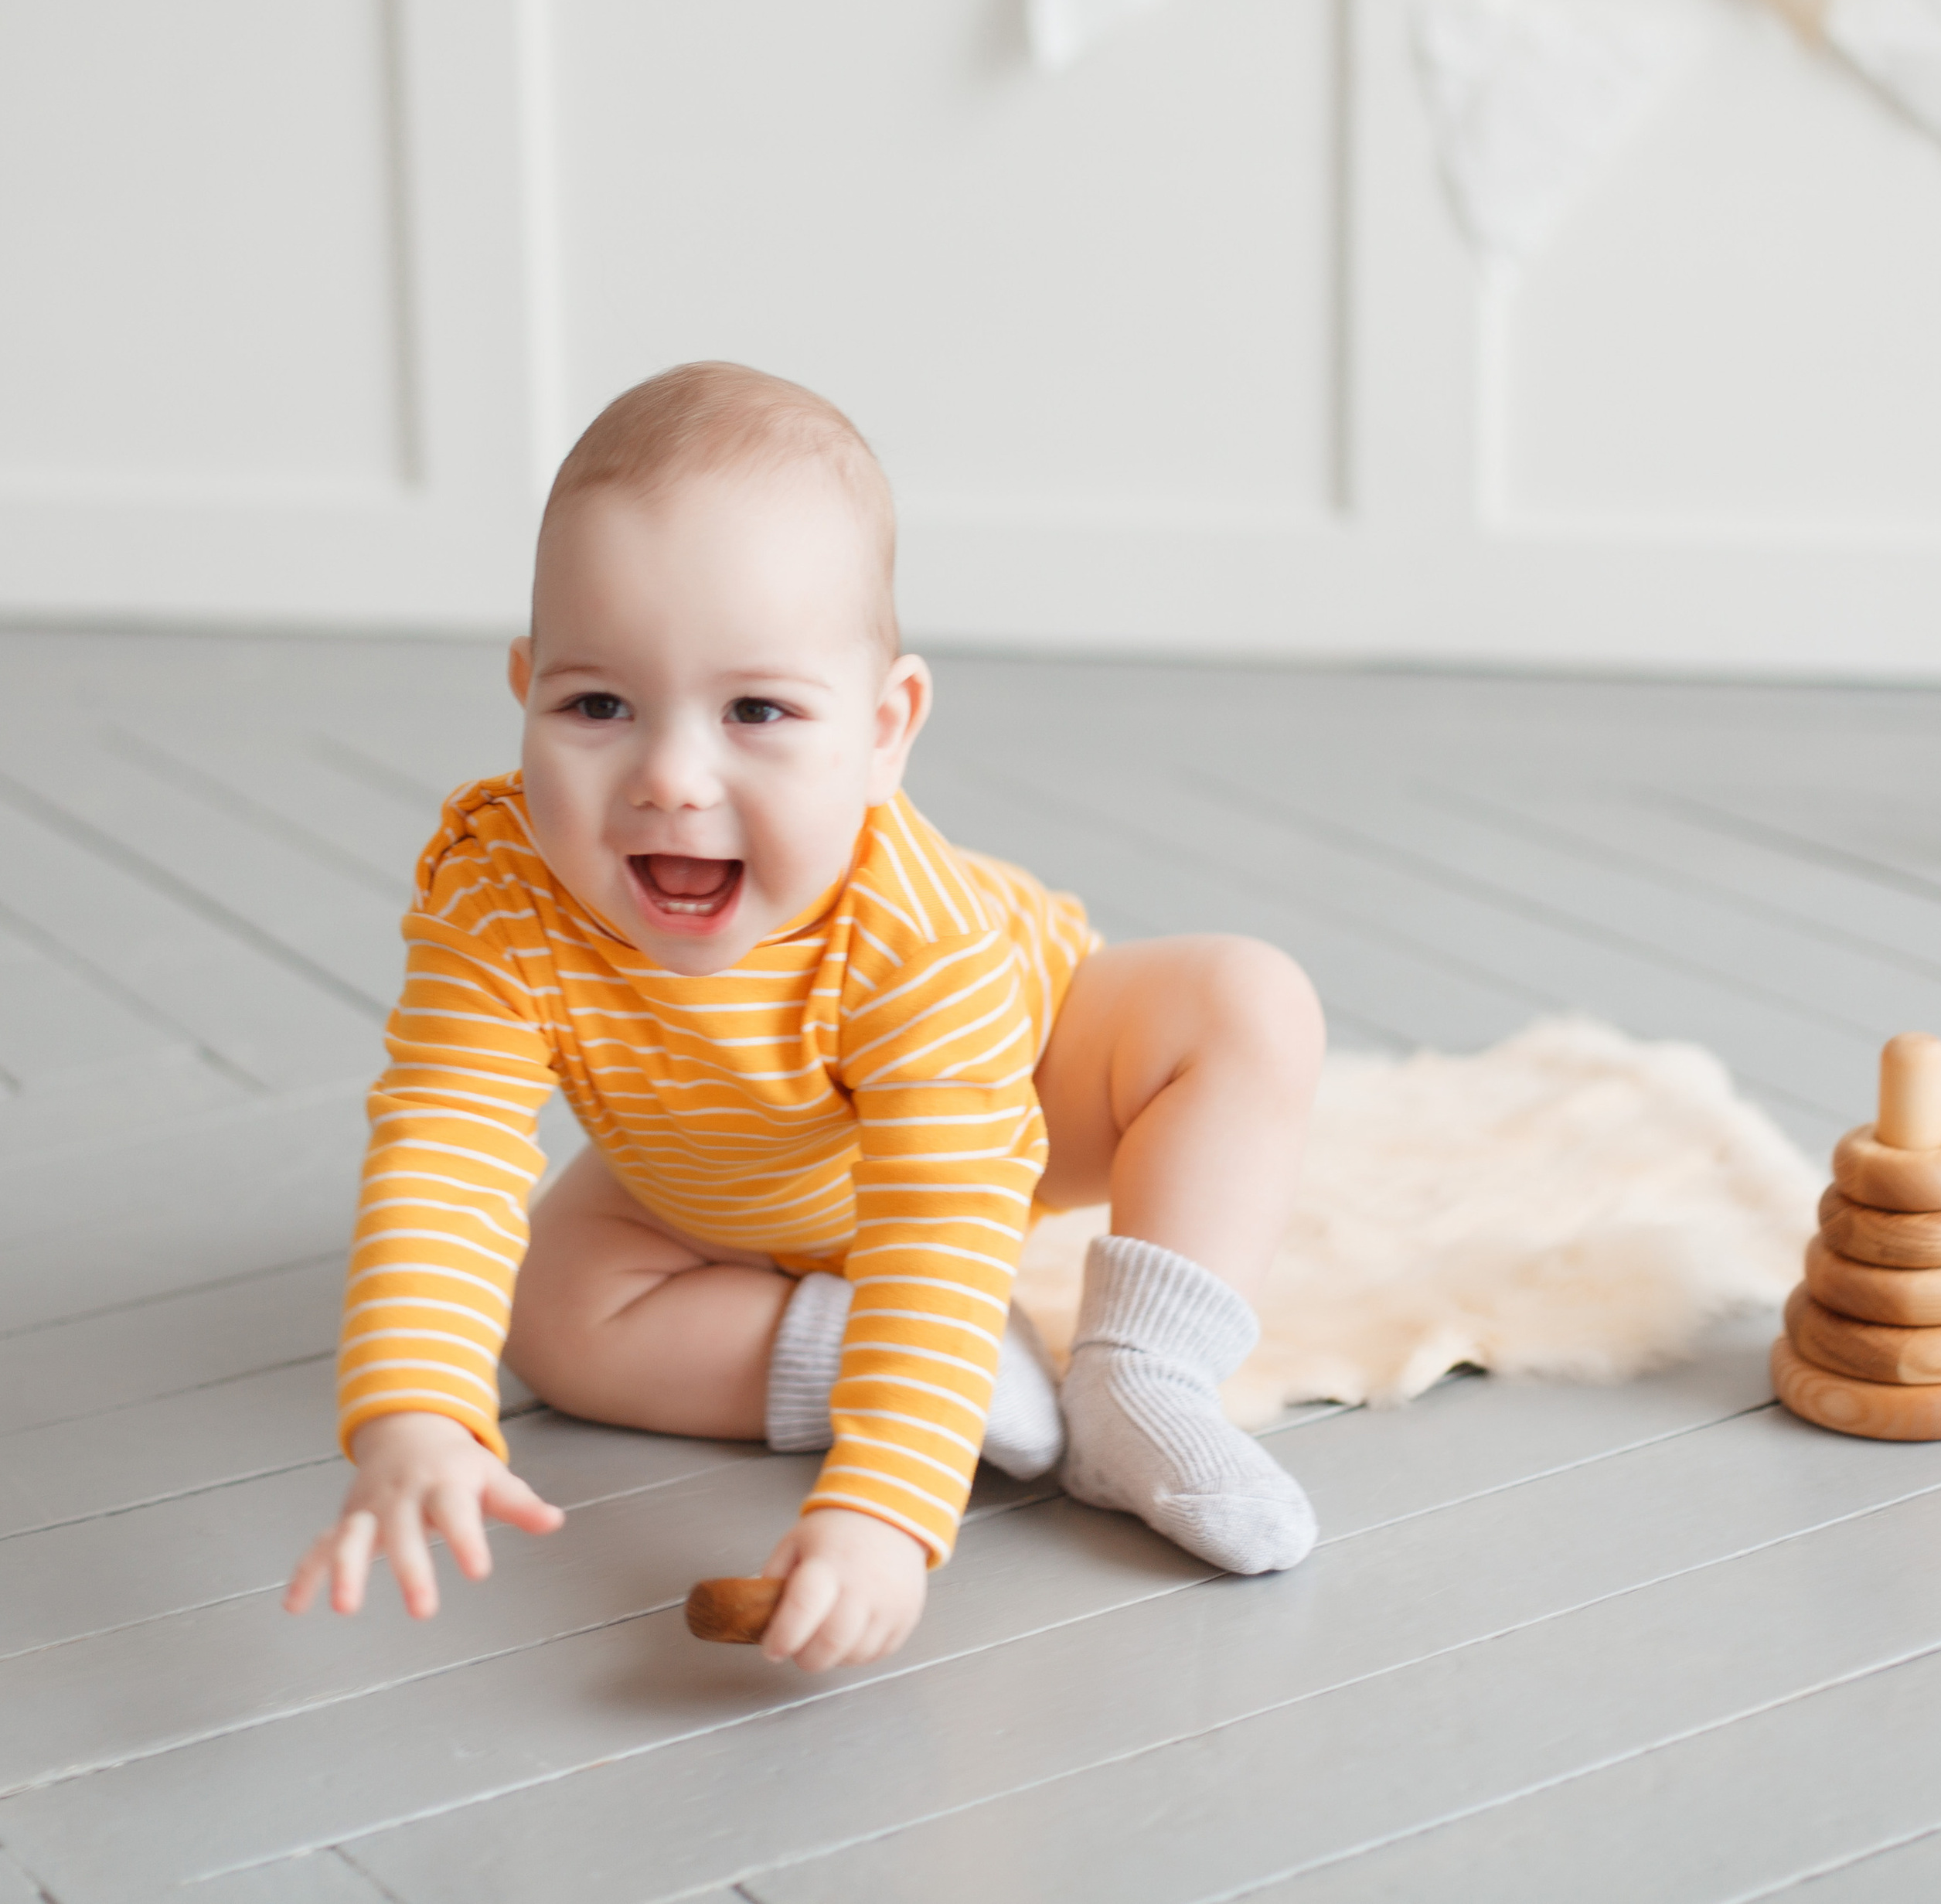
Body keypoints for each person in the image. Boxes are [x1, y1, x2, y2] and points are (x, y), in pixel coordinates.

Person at [285, 363, 1325, 1673]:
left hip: (1021, 1095)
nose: (669, 777)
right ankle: (843, 1353)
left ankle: (1140, 1378)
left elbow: (944, 1222)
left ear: (886, 731)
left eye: (757, 711)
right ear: (525, 690)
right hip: (706, 1172)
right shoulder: (501, 897)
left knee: (1242, 1002)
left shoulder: (917, 933)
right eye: (597, 705)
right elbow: (445, 1148)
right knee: (550, 1318)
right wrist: (415, 1413)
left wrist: (886, 1509)